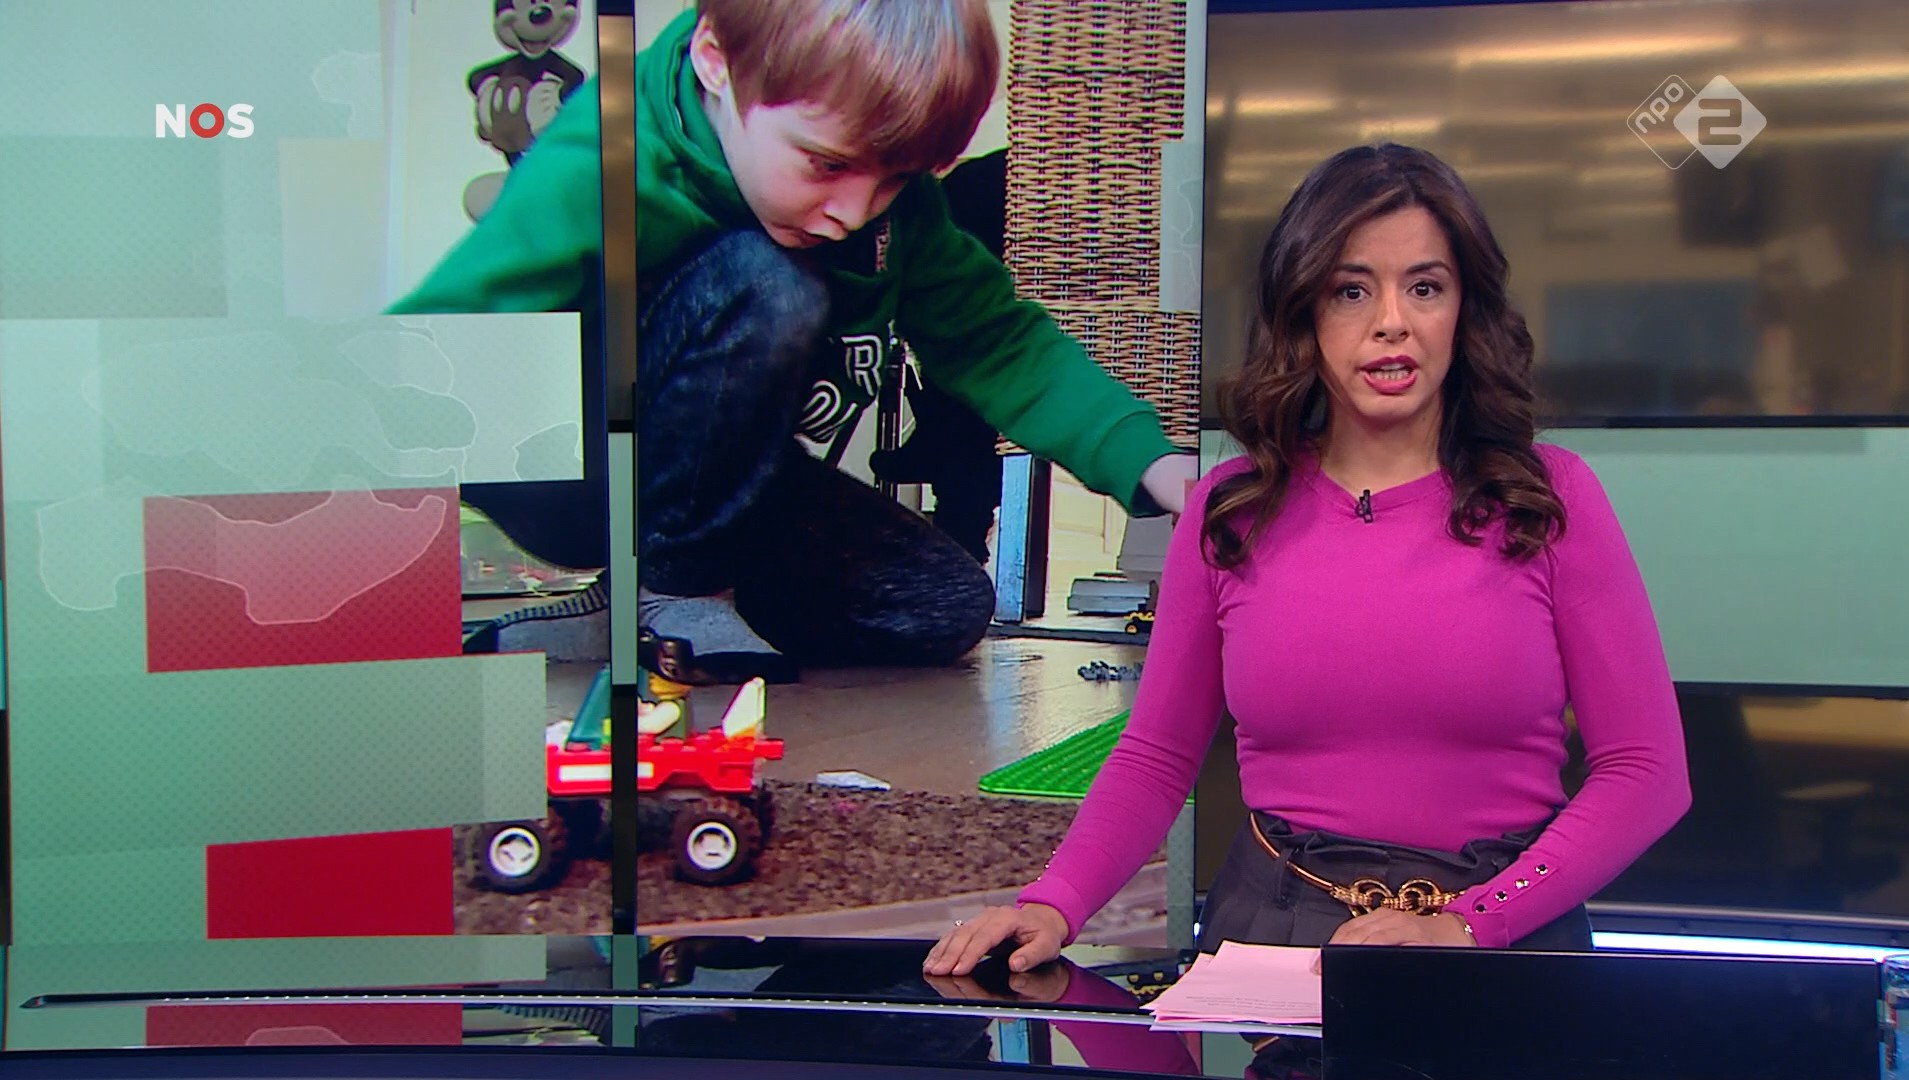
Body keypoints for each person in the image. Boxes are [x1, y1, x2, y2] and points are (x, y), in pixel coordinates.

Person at [926, 143, 1692, 977]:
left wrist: (1470, 924)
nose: (1391, 321)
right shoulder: (1231, 510)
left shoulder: (1551, 498)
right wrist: (1053, 900)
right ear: (1304, 312)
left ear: (1464, 310)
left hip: (1505, 931)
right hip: (1276, 927)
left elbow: (1646, 772)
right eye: (1350, 290)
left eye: (1425, 287)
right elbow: (1156, 756)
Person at [392, 0, 1193, 684]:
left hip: (722, 486)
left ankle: (623, 615)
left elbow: (998, 341)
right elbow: (429, 352)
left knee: (944, 606)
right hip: (571, 462)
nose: (854, 211)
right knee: (769, 280)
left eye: (894, 178)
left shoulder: (890, 209)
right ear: (715, 61)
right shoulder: (606, 153)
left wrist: (1155, 465)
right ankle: (674, 591)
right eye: (826, 164)